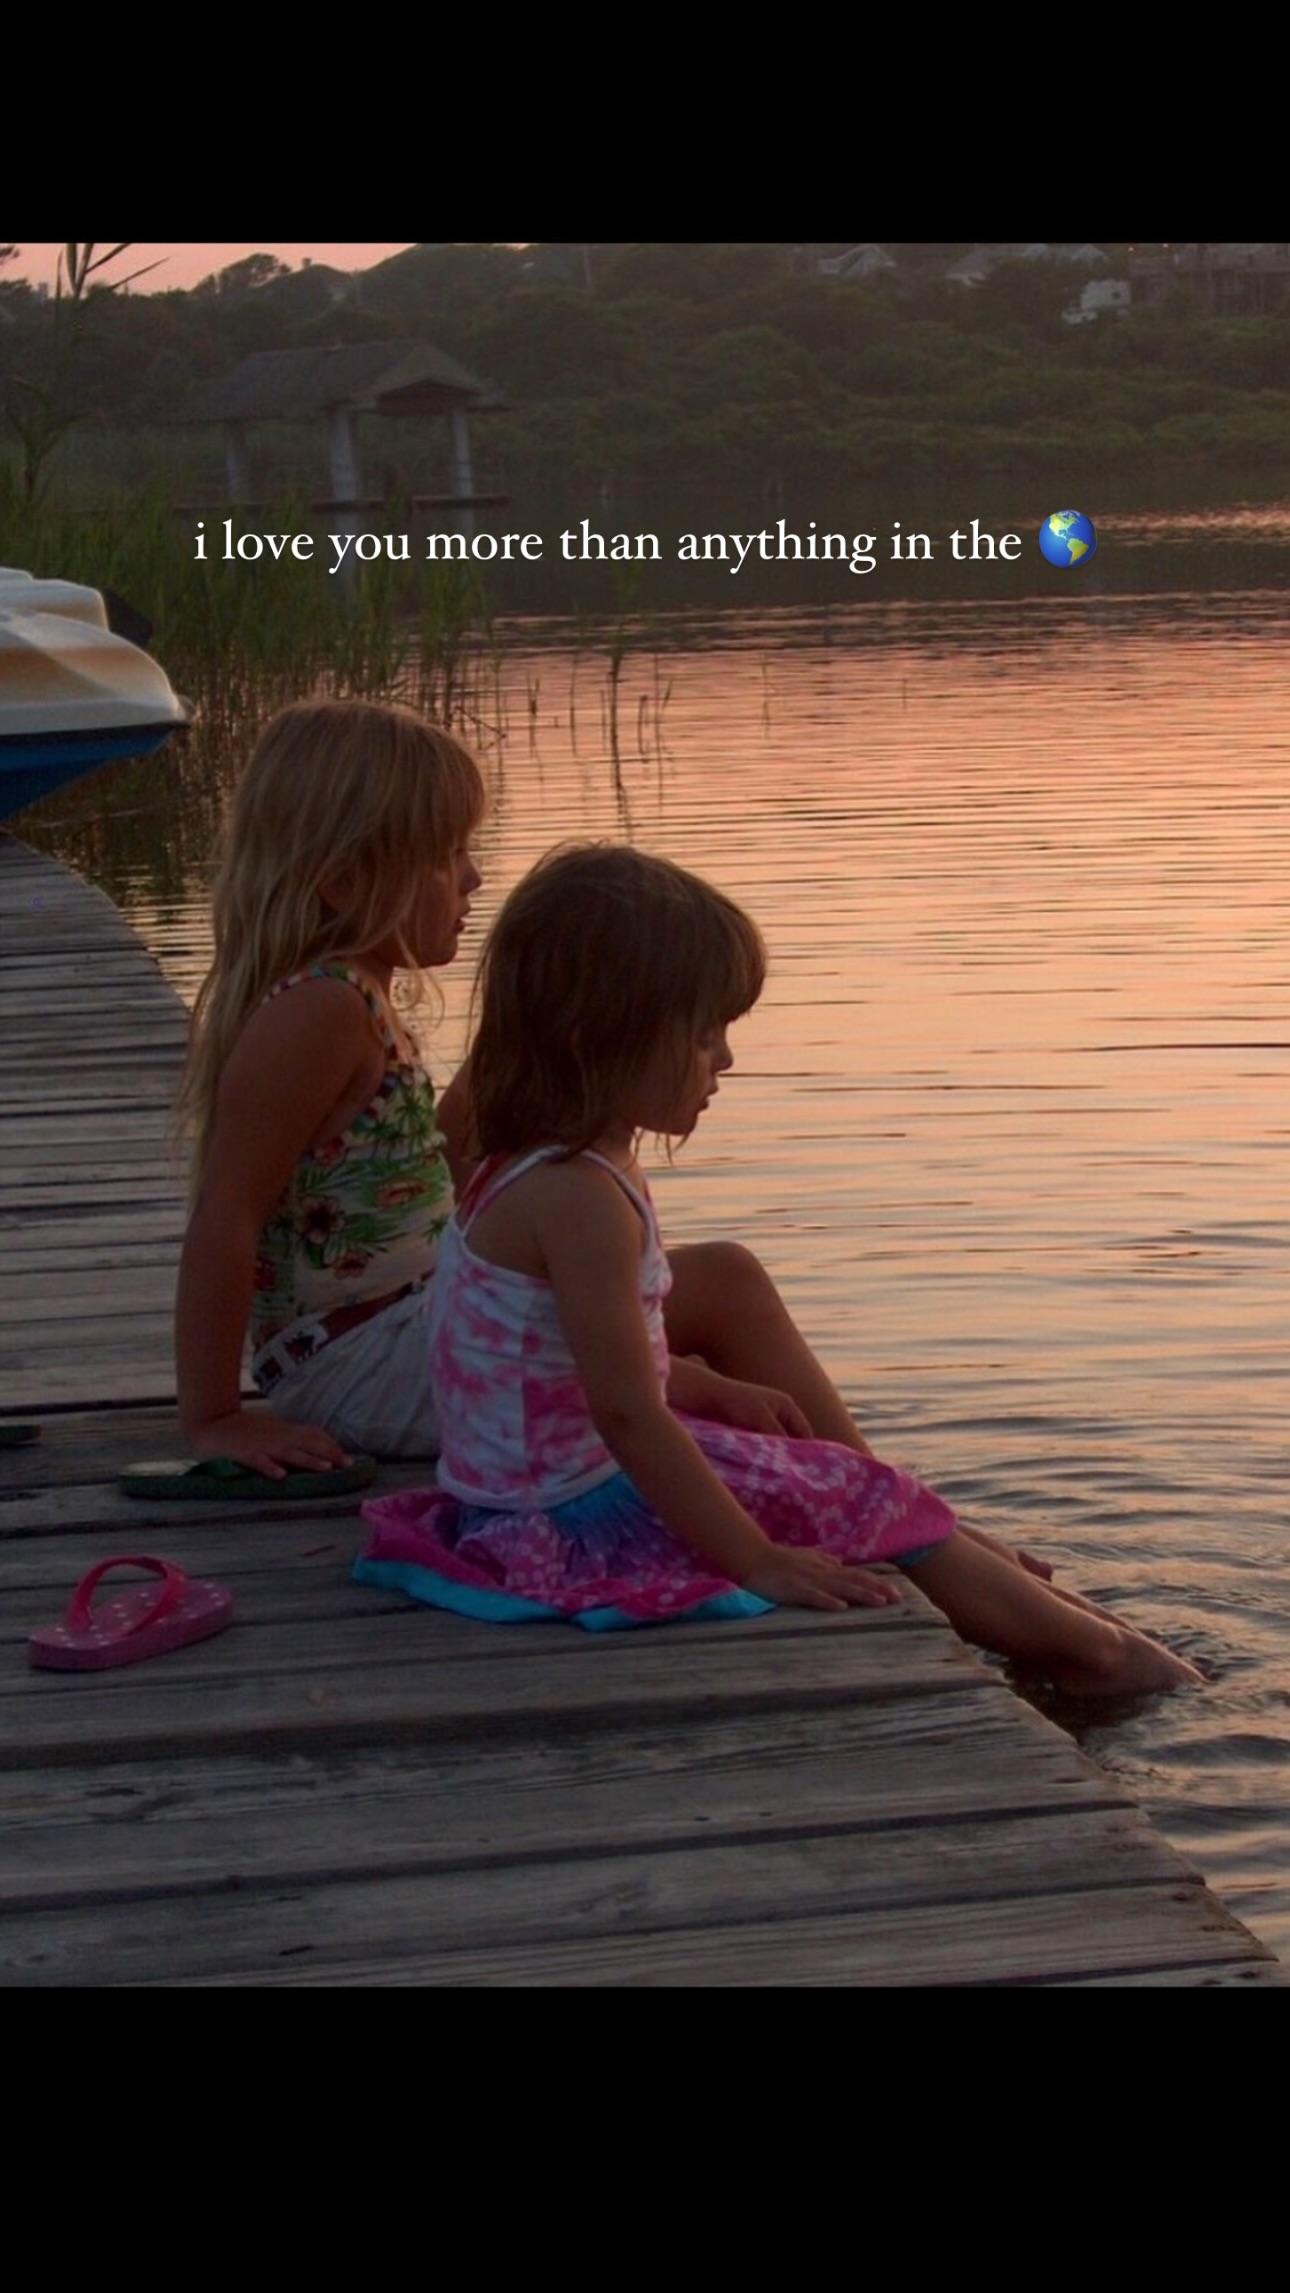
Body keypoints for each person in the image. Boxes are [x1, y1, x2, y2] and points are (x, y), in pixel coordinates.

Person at [358, 845, 1201, 1695]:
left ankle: (1034, 1602)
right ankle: (1103, 1659)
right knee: (845, 1489)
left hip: (523, 1502)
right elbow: (624, 1413)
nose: (722, 1058)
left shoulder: (529, 1163)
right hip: (576, 1522)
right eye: (701, 1033)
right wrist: (757, 1559)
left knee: (841, 1478)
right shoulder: (578, 1196)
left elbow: (558, 1371)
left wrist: (701, 1388)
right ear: (599, 1035)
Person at [174, 698, 485, 1472]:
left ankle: (830, 1492)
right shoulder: (323, 1007)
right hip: (357, 1365)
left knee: (691, 1301)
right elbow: (227, 1211)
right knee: (704, 1302)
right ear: (345, 882)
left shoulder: (363, 999)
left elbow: (417, 1174)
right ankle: (833, 1498)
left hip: (408, 1331)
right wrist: (215, 1417)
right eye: (447, 855)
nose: (474, 876)